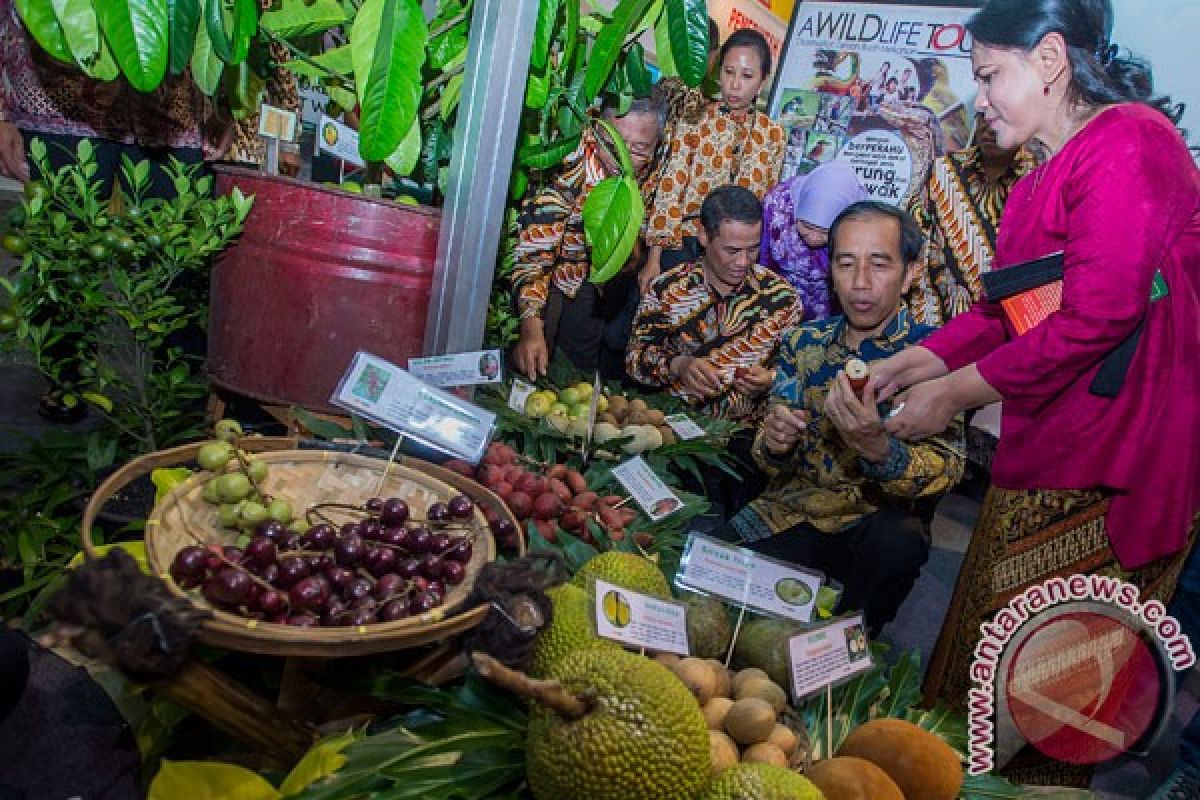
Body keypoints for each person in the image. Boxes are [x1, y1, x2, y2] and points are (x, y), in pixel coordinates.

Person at [867, 0, 1199, 783]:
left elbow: (1100, 315)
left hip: (1118, 465)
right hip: (1051, 451)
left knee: (1049, 700)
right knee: (983, 666)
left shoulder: (1129, 143)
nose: (978, 98)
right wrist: (916, 361)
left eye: (989, 75)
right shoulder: (1040, 177)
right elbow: (1008, 315)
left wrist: (950, 397)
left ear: (1050, 61)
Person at [717, 201, 964, 636]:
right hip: (794, 511)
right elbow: (769, 457)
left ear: (910, 274)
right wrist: (773, 442)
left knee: (900, 540)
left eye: (879, 264)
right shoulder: (801, 343)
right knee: (709, 583)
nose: (861, 283)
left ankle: (853, 646)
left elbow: (948, 467)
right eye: (846, 264)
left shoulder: (934, 358)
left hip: (870, 525)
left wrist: (878, 450)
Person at [510, 96, 665, 380]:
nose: (623, 156)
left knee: (576, 371)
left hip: (592, 280)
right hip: (547, 273)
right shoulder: (570, 164)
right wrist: (531, 327)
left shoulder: (650, 170)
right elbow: (536, 251)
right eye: (613, 142)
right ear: (596, 130)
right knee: (533, 358)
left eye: (640, 149)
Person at [627, 185, 798, 423]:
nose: (743, 261)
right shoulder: (667, 290)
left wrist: (770, 380)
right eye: (731, 250)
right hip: (673, 429)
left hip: (747, 437)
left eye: (753, 250)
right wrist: (677, 366)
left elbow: (799, 376)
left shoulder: (781, 299)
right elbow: (634, 361)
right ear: (704, 236)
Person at [642, 29, 786, 291]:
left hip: (736, 257)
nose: (734, 85)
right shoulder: (695, 118)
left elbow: (766, 203)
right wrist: (654, 260)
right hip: (685, 244)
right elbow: (670, 188)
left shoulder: (773, 135)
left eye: (747, 76)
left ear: (762, 81)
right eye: (728, 72)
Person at [905, 113, 1037, 327]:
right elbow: (914, 237)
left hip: (1005, 328)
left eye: (1000, 118)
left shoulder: (1040, 177)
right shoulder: (943, 170)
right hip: (935, 323)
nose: (989, 127)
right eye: (984, 118)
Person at [759, 160, 869, 320]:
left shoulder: (858, 224)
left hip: (830, 304)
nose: (814, 238)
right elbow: (763, 260)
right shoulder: (777, 207)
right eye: (807, 226)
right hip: (777, 294)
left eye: (825, 232)